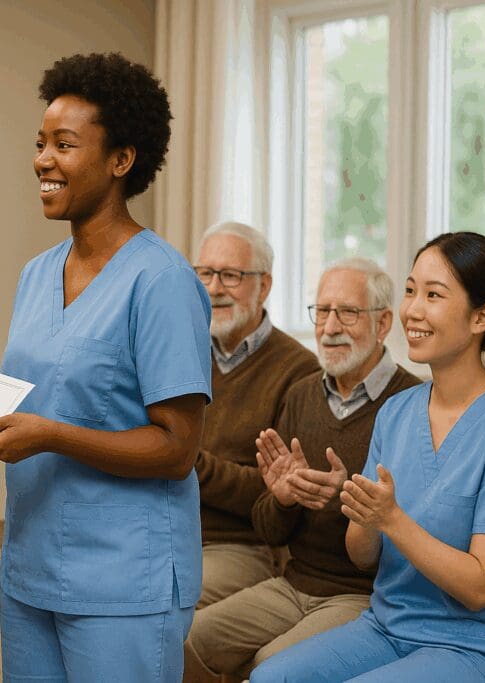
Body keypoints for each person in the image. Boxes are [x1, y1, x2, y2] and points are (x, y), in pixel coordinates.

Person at [0, 52, 211, 682]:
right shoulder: (35, 275)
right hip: (30, 567)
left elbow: (178, 448)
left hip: (123, 581)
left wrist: (52, 435)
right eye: (40, 142)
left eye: (65, 144)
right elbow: (38, 390)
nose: (43, 160)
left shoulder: (161, 281)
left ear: (121, 161)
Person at [251, 232, 485, 683]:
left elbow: (482, 585)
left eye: (433, 295)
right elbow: (363, 556)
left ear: (482, 316)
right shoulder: (398, 411)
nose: (413, 310)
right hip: (387, 628)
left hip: (474, 646)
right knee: (272, 678)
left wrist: (392, 520)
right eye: (410, 291)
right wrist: (364, 514)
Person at [184, 258, 419, 680]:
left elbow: (416, 532)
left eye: (347, 313)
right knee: (186, 640)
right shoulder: (302, 395)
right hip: (293, 584)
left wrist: (347, 496)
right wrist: (283, 499)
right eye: (322, 312)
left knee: (269, 664)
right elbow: (269, 531)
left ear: (383, 324)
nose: (329, 328)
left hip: (363, 595)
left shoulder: (413, 404)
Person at [191, 221, 320, 608]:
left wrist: (184, 461)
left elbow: (277, 490)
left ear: (264, 286)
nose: (214, 288)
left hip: (241, 546)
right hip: (160, 530)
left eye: (231, 275)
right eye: (205, 274)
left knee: (165, 606)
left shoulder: (299, 371)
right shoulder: (180, 348)